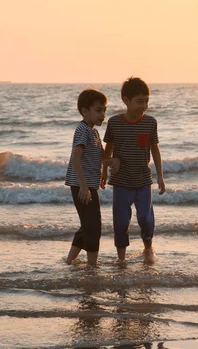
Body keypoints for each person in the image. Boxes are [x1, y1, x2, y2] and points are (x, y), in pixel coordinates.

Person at [101, 77, 166, 265]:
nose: (144, 105)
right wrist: (104, 172)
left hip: (143, 181)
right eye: (139, 101)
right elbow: (108, 150)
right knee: (121, 222)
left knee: (146, 218)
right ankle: (121, 260)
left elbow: (154, 149)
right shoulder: (114, 123)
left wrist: (160, 176)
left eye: (146, 101)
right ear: (126, 100)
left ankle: (148, 249)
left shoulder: (150, 123)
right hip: (121, 182)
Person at [65, 88, 118, 267]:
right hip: (82, 186)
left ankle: (70, 260)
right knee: (93, 226)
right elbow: (76, 157)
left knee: (88, 224)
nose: (102, 114)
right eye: (98, 110)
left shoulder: (93, 132)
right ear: (85, 111)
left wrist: (113, 162)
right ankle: (92, 266)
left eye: (104, 110)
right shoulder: (83, 130)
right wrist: (84, 186)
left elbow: (103, 157)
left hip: (88, 185)